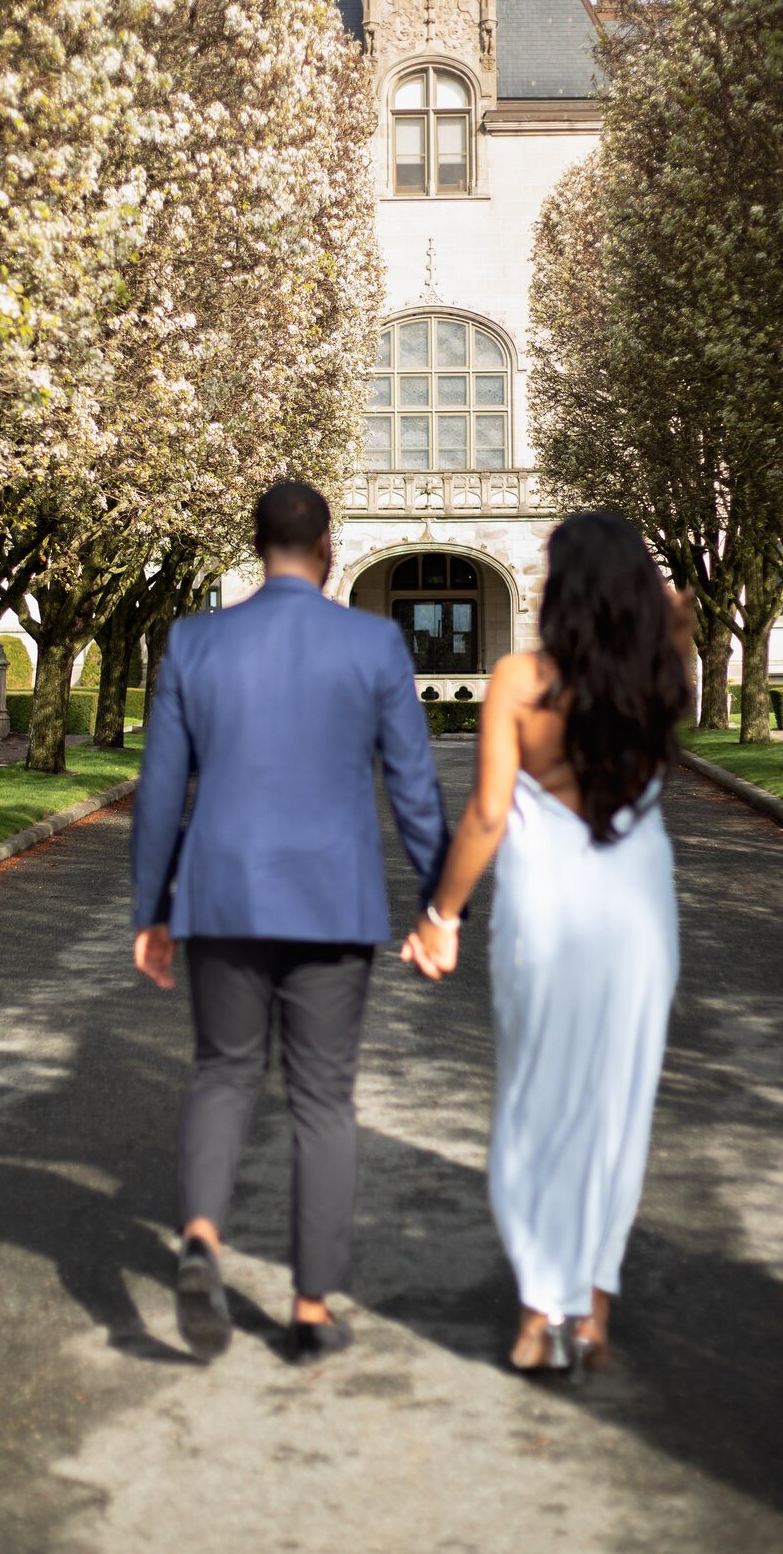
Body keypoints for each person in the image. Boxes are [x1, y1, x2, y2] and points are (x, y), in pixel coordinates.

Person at [132, 481, 448, 1363]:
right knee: (322, 1102)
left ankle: (200, 1236)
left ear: (258, 544)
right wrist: (440, 902)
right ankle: (310, 1310)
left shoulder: (195, 640)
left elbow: (161, 791)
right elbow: (414, 787)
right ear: (330, 548)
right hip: (331, 900)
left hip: (222, 895)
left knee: (223, 1073)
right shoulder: (374, 642)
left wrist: (151, 908)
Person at [404, 512, 692, 1378]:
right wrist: (653, 600)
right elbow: (677, 609)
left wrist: (440, 916)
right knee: (616, 1108)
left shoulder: (519, 679)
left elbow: (489, 813)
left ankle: (540, 1312)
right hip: (637, 908)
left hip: (545, 908)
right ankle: (593, 1312)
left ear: (558, 587)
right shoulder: (661, 670)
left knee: (534, 1105)